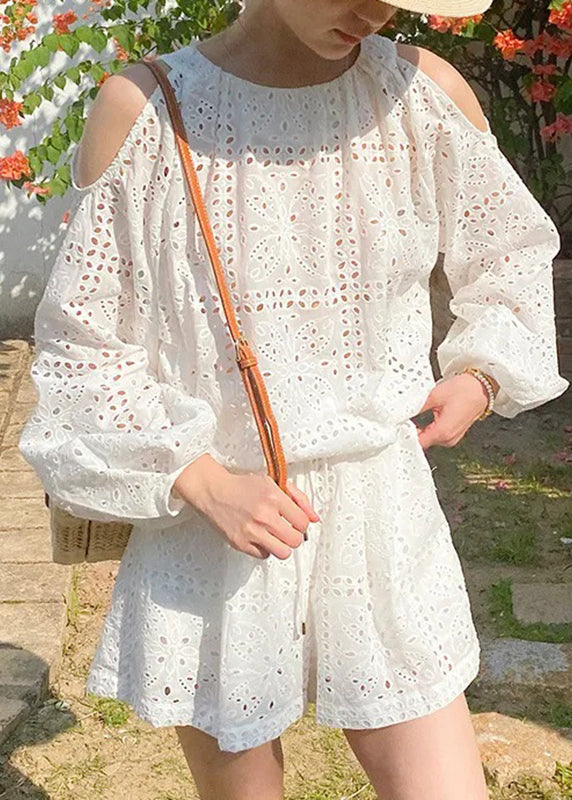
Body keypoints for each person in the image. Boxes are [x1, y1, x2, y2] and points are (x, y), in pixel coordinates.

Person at [19, 0, 569, 797]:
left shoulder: (423, 96)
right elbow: (86, 349)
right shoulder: (146, 112)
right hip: (218, 530)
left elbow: (510, 254)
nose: (375, 11)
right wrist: (203, 481)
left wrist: (481, 375)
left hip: (382, 513)